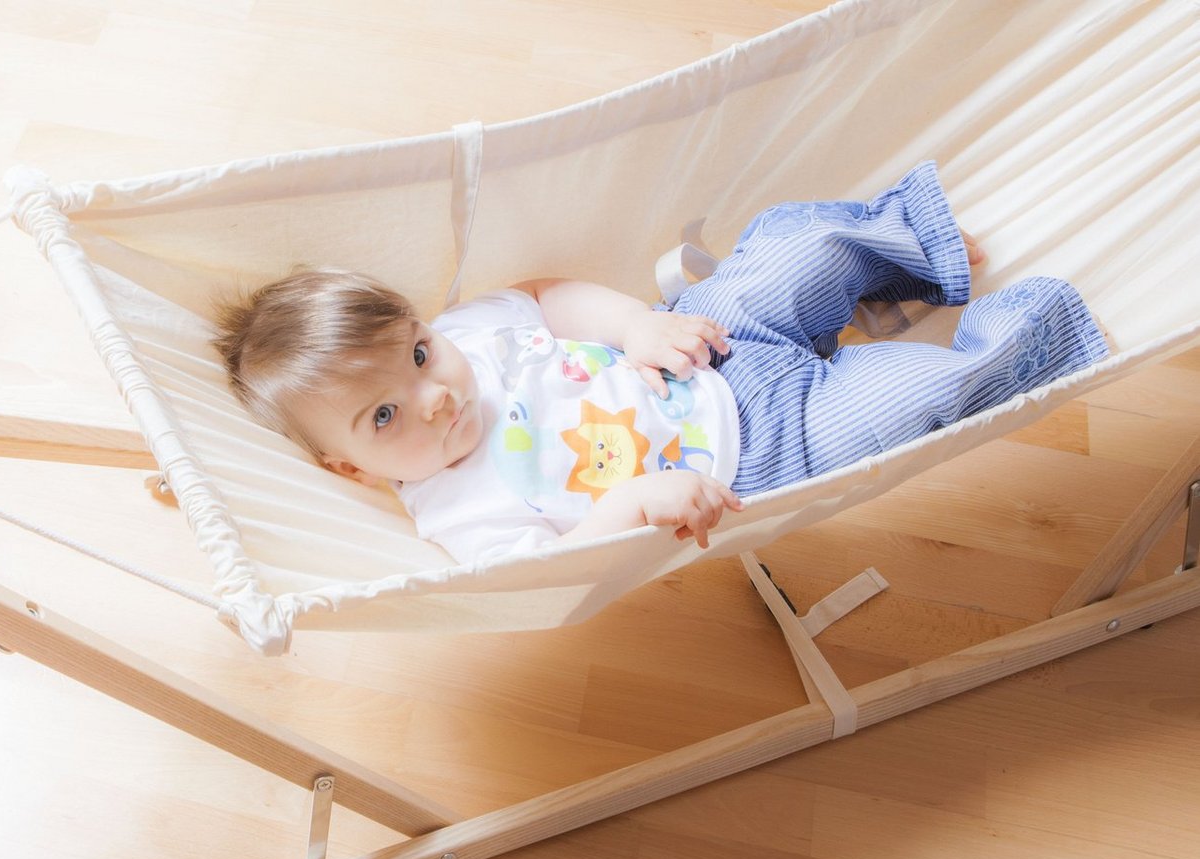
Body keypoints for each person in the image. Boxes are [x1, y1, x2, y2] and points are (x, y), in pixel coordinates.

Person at [213, 162, 1110, 563]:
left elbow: (546, 294)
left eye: (416, 353)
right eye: (384, 417)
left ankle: (906, 244)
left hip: (702, 337)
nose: (435, 395)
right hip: (761, 451)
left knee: (794, 257)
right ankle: (1034, 329)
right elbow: (546, 577)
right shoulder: (458, 512)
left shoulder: (472, 335)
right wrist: (633, 505)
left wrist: (637, 324)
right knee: (913, 396)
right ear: (348, 468)